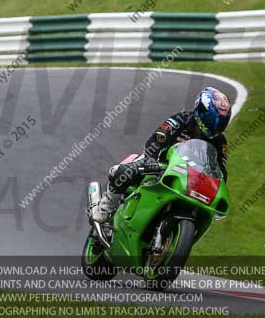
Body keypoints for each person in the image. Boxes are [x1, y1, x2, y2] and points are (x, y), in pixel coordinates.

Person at [90, 87, 232, 224]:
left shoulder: (220, 141)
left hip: (189, 178)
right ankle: (105, 206)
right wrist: (151, 160)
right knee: (123, 172)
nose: (217, 125)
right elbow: (157, 139)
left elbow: (220, 170)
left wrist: (218, 191)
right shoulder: (180, 120)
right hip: (160, 164)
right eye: (214, 119)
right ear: (201, 111)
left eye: (221, 122)